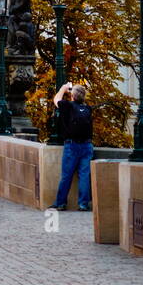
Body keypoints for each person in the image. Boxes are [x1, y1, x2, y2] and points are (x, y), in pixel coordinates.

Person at [50, 82, 94, 211]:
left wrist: (63, 88)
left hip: (72, 145)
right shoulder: (88, 109)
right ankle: (83, 204)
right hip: (87, 145)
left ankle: (61, 203)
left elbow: (56, 99)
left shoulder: (67, 106)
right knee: (84, 176)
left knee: (66, 175)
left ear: (72, 96)